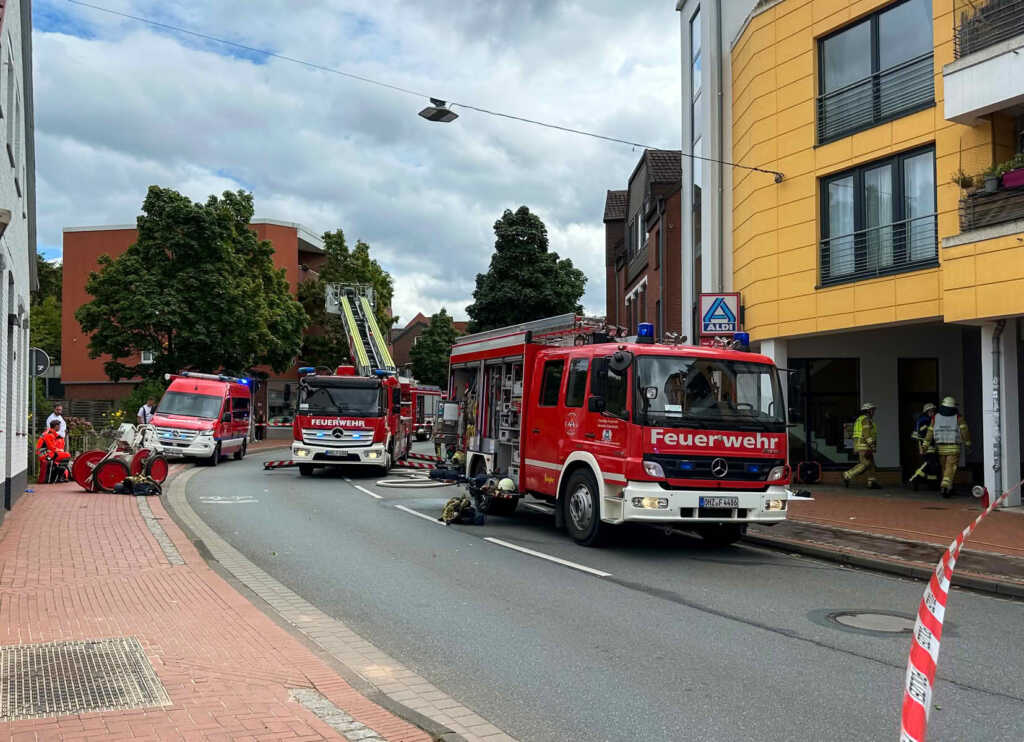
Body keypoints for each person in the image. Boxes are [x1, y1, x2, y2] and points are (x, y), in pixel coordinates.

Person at [925, 396, 972, 498]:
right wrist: (968, 444)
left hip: (940, 448)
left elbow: (929, 432)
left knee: (945, 469)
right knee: (950, 468)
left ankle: (948, 488)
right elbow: (965, 432)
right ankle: (945, 486)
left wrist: (925, 445)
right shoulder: (958, 418)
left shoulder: (935, 417)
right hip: (954, 448)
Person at [843, 402, 880, 489]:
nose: (873, 412)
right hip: (863, 445)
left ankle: (872, 482)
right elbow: (866, 434)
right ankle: (847, 475)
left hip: (862, 444)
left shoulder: (861, 419)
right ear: (868, 411)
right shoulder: (865, 420)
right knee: (865, 463)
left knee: (871, 464)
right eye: (872, 410)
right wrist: (872, 445)